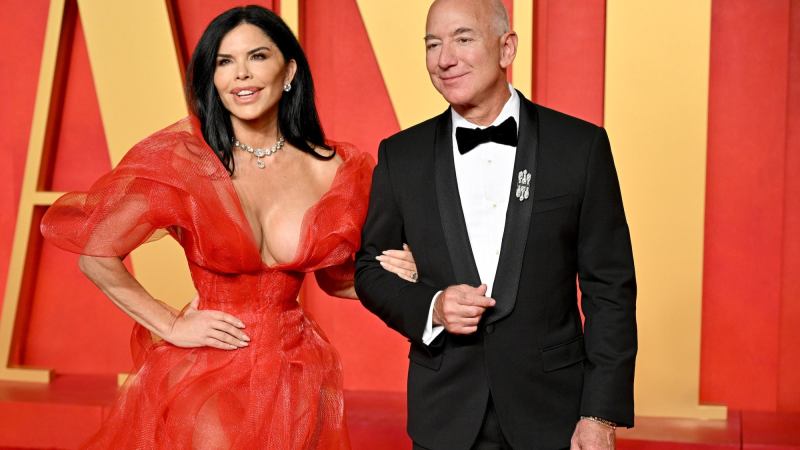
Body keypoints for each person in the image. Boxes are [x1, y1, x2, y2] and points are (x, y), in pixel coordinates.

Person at [41, 5, 415, 449]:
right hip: (207, 370)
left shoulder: (335, 169)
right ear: (212, 79)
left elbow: (335, 279)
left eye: (257, 56)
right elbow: (95, 256)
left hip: (297, 371)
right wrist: (170, 325)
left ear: (289, 71)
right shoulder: (185, 163)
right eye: (224, 61)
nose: (241, 74)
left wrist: (389, 274)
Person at [354, 0, 637, 449]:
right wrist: (433, 306)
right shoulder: (400, 155)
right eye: (432, 44)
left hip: (554, 414)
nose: (445, 58)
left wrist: (599, 413)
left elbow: (610, 288)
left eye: (463, 39)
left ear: (507, 48)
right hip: (443, 414)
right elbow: (369, 270)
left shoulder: (579, 147)